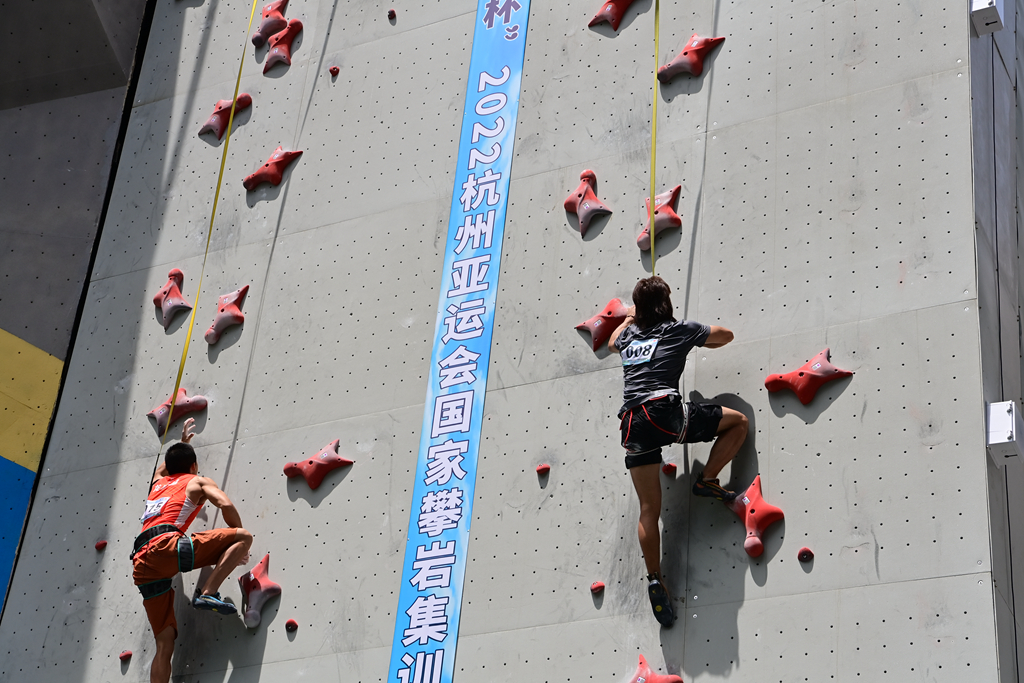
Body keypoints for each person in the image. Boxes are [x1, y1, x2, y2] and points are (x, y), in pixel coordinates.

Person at [609, 276, 748, 627]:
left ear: (640, 309)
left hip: (632, 423)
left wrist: (629, 316)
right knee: (738, 422)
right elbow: (725, 336)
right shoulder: (677, 330)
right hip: (664, 414)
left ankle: (655, 578)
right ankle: (708, 479)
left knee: (647, 509)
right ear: (666, 303)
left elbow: (611, 342)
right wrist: (693, 336)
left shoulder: (627, 337)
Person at [131, 417, 253, 683]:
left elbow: (164, 469)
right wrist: (236, 543)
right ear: (194, 466)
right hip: (166, 547)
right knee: (243, 536)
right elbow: (225, 504)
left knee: (164, 644)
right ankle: (208, 593)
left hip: (141, 563)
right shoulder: (197, 481)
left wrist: (182, 444)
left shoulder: (156, 484)